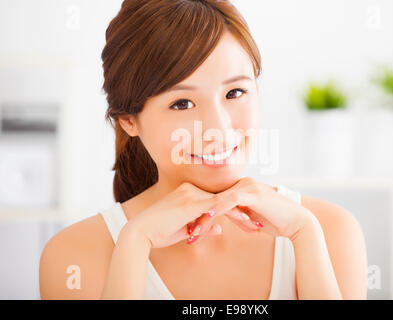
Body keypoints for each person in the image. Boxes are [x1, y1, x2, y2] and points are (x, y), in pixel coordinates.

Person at [39, 0, 367, 300]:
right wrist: (133, 244)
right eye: (182, 103)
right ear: (129, 120)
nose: (218, 129)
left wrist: (305, 236)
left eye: (235, 92)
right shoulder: (73, 256)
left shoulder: (328, 230)